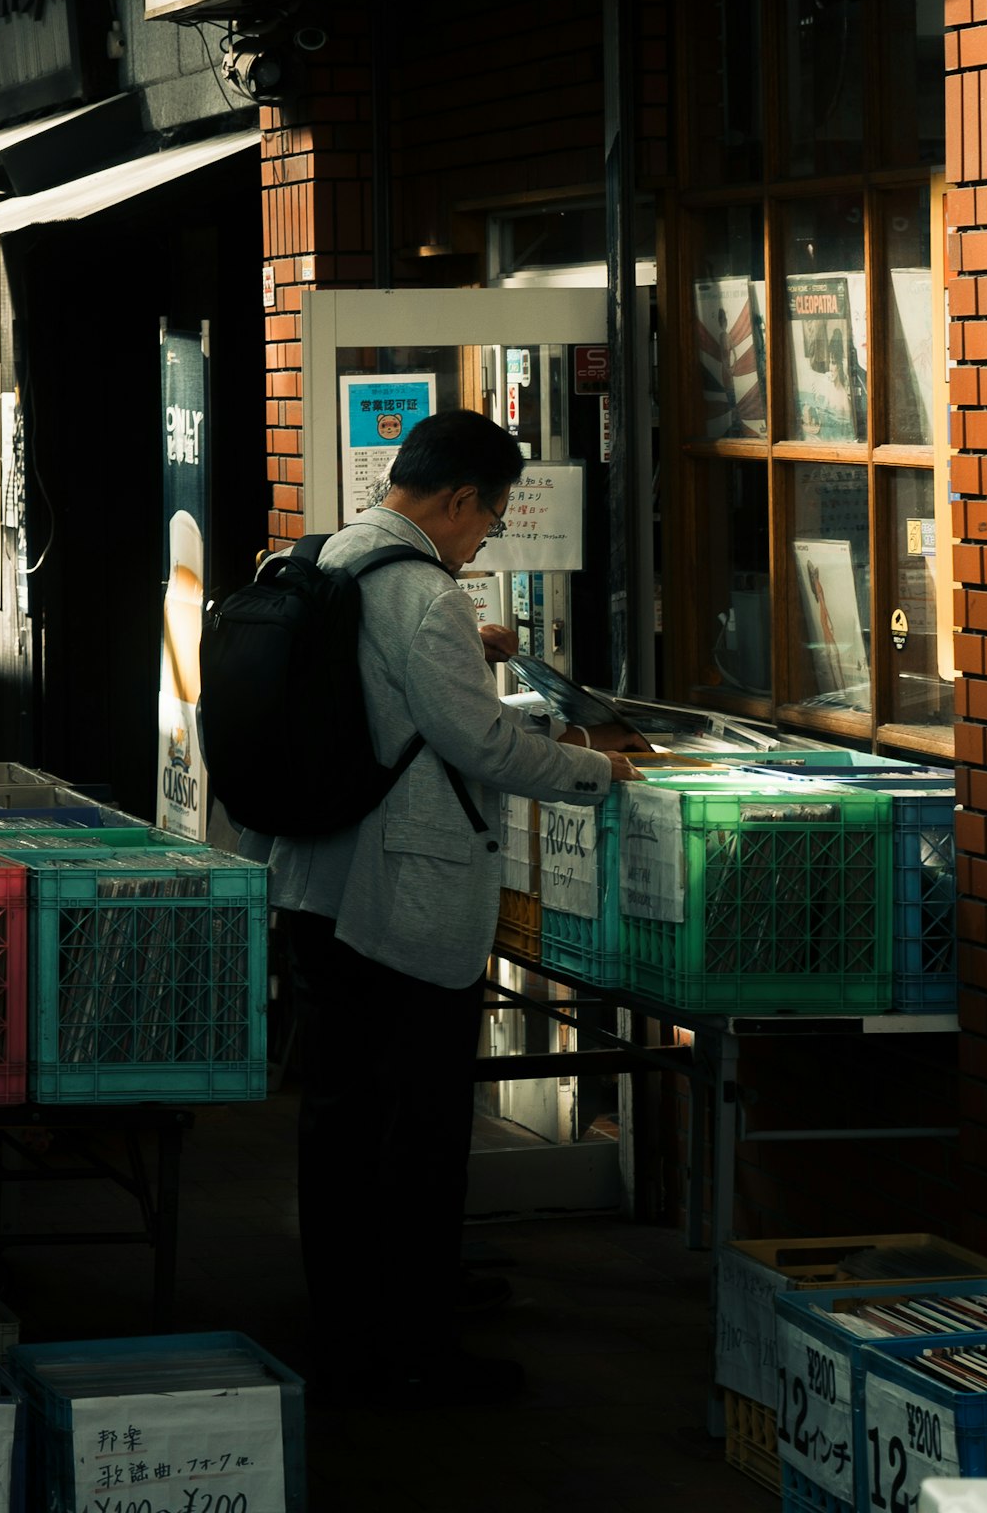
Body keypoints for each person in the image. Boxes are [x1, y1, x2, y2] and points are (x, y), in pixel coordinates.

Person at [245, 409, 635, 1406]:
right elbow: (487, 748)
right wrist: (602, 768)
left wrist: (474, 646)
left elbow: (380, 696)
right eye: (490, 519)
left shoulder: (323, 557)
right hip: (401, 908)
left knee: (339, 1122)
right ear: (458, 497)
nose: (481, 538)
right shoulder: (425, 599)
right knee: (416, 1135)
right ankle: (413, 1349)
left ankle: (346, 1323)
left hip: (313, 885)